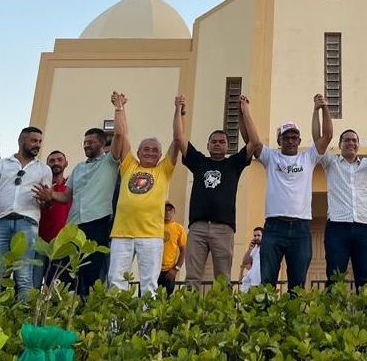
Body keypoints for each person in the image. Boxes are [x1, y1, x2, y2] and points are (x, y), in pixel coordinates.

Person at [106, 91, 183, 296]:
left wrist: (178, 111)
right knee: (116, 282)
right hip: (122, 233)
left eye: (155, 150)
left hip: (151, 236)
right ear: (138, 153)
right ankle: (113, 328)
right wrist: (120, 107)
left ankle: (145, 328)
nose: (150, 152)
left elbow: (177, 140)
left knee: (149, 285)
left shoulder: (163, 170)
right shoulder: (129, 164)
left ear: (160, 155)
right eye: (146, 149)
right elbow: (121, 135)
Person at [176, 95, 259, 285]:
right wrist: (179, 112)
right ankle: (191, 313)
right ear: (208, 145)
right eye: (214, 141)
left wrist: (245, 112)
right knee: (192, 278)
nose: (217, 144)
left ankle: (222, 313)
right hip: (197, 227)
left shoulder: (233, 164)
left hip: (224, 228)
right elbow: (179, 138)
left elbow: (254, 142)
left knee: (223, 279)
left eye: (222, 141)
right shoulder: (199, 161)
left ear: (228, 146)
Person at [33, 122, 121, 297]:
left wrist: (119, 108)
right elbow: (66, 196)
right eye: (85, 142)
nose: (87, 145)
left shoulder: (110, 161)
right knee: (61, 269)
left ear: (102, 144)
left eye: (92, 141)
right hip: (73, 225)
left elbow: (120, 136)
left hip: (98, 222)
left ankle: (85, 308)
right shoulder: (78, 168)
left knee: (91, 270)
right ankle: (60, 306)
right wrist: (50, 195)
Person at [256, 95, 333, 291]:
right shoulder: (270, 157)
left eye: (294, 137)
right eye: (286, 137)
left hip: (300, 229)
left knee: (297, 286)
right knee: (267, 283)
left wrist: (322, 108)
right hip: (274, 227)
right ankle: (266, 321)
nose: (290, 141)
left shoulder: (308, 158)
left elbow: (327, 136)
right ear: (279, 139)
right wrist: (244, 111)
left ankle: (293, 321)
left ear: (299, 140)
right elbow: (253, 141)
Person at [0, 127, 52, 300]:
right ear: (21, 140)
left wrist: (47, 199)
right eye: (33, 141)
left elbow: (46, 204)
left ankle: (21, 322)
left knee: (24, 277)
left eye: (39, 141)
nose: (37, 145)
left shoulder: (44, 169)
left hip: (28, 224)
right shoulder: (1, 164)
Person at [319, 127, 367, 289]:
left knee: (364, 279)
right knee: (334, 277)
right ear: (339, 144)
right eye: (346, 140)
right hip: (337, 228)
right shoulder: (331, 162)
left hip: (364, 228)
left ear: (358, 145)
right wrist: (319, 109)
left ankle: (365, 314)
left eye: (354, 140)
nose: (350, 143)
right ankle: (332, 313)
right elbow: (319, 142)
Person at [32, 150, 70, 289]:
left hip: (61, 244)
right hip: (39, 243)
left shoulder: (70, 187)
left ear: (66, 163)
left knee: (58, 287)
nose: (56, 163)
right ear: (46, 165)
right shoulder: (38, 187)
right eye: (52, 161)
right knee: (33, 285)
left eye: (59, 160)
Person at [157, 202, 187, 295]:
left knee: (166, 300)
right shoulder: (156, 226)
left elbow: (183, 251)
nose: (167, 212)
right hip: (154, 269)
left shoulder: (179, 228)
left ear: (174, 212)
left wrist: (176, 269)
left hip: (168, 272)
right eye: (165, 210)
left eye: (170, 210)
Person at [239, 226, 263, 292]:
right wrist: (249, 249)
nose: (256, 238)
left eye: (258, 235)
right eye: (255, 236)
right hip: (251, 282)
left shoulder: (266, 248)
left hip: (261, 281)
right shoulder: (253, 248)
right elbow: (246, 263)